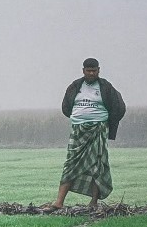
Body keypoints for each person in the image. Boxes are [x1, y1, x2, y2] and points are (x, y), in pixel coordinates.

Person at [45, 57, 126, 211]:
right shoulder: (75, 86)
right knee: (71, 163)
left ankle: (94, 202)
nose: (91, 73)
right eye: (88, 70)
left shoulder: (105, 87)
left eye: (94, 70)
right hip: (77, 129)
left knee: (97, 164)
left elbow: (119, 107)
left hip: (98, 128)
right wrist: (79, 116)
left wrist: (107, 122)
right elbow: (66, 107)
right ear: (83, 71)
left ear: (98, 70)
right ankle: (59, 202)